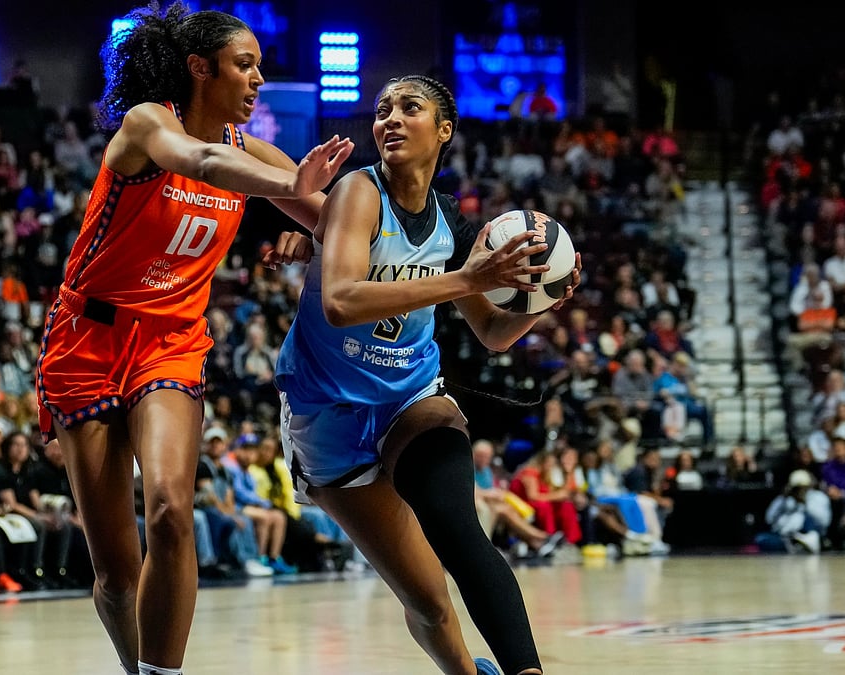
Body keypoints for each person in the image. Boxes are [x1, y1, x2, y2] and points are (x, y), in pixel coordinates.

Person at [32, 6, 353, 673]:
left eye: (260, 66)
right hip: (86, 342)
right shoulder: (148, 122)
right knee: (117, 575)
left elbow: (340, 220)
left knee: (174, 510)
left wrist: (321, 230)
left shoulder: (253, 149)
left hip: (171, 344)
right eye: (245, 65)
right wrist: (288, 187)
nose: (259, 79)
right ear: (200, 69)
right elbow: (199, 161)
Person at [274, 74, 580, 675]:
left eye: (408, 109)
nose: (389, 119)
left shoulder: (453, 223)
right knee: (429, 602)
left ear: (443, 130)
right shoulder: (358, 192)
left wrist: (543, 301)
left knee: (460, 532)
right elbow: (339, 300)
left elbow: (492, 333)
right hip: (327, 418)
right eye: (383, 109)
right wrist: (471, 279)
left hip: (411, 397)